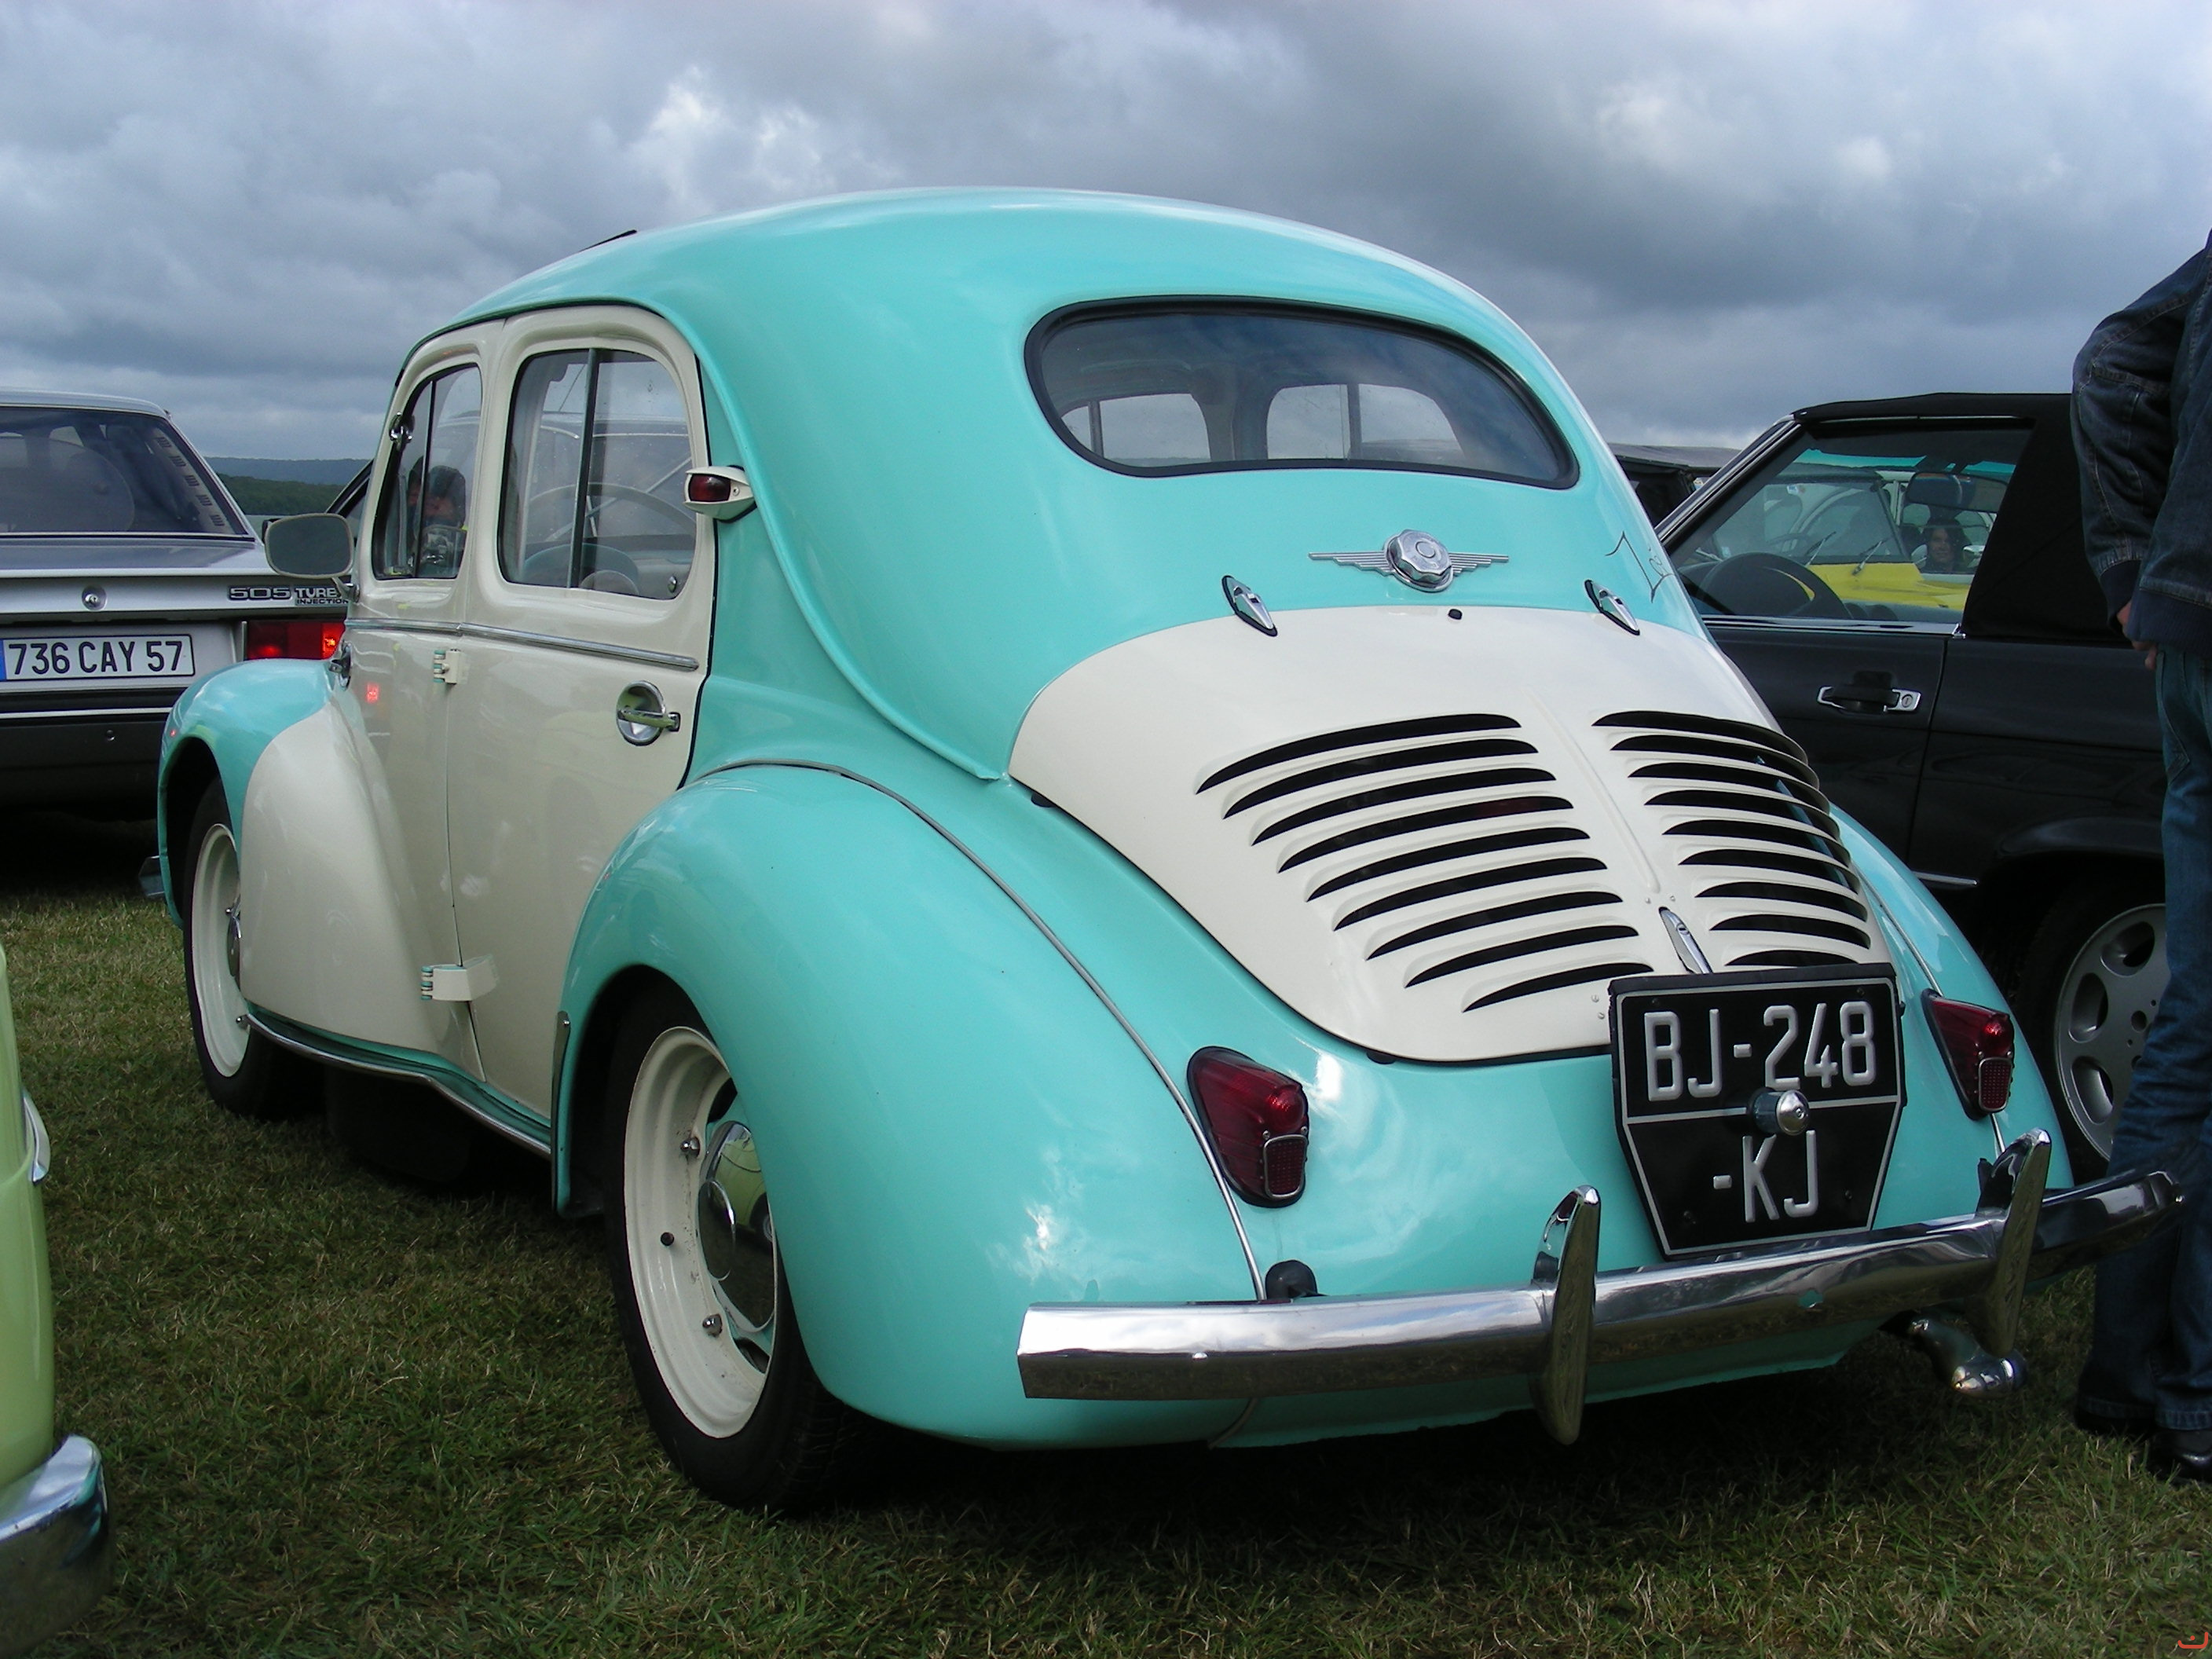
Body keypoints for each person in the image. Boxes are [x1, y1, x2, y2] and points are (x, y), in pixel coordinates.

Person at [2071, 233, 2212, 1483]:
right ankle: (2194, 1403)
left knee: (2195, 1024)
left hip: (2191, 619)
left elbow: (2116, 357)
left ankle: (2130, 1378)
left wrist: (2135, 569)